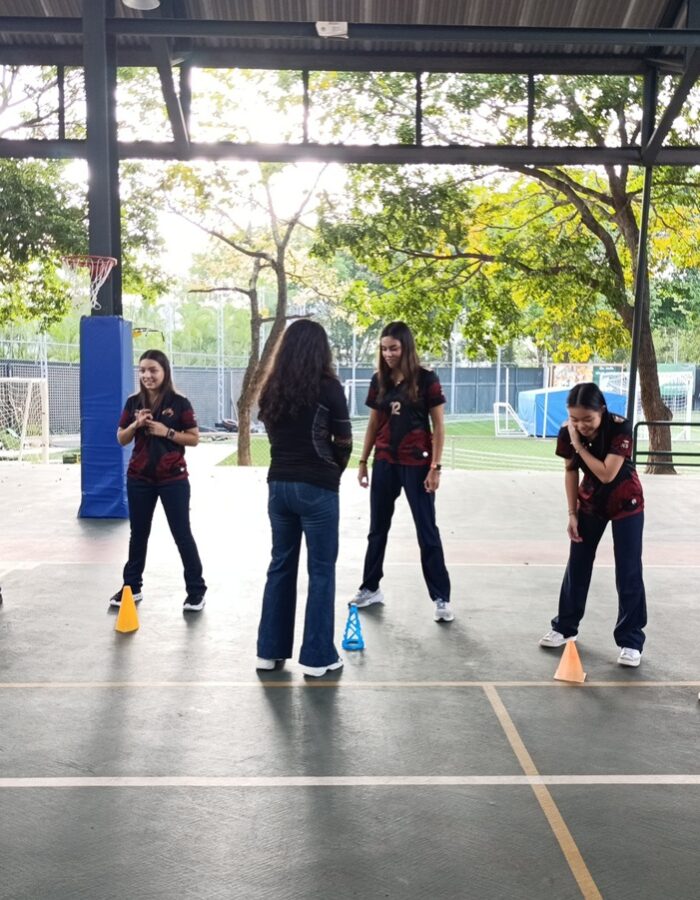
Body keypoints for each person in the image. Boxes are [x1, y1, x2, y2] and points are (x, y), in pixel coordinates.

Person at [255, 320, 352, 677]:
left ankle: (268, 652)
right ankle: (317, 657)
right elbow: (344, 442)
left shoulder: (271, 388)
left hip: (278, 487)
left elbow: (274, 437)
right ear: (321, 350)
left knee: (280, 565)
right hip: (317, 488)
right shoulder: (329, 388)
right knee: (321, 571)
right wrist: (332, 472)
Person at [352, 321, 453, 622]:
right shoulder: (379, 380)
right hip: (384, 461)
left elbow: (439, 426)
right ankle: (370, 587)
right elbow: (373, 423)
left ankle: (441, 597)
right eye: (384, 349)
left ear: (406, 347)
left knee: (427, 530)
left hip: (417, 464)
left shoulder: (426, 379)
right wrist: (363, 461)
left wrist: (435, 467)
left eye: (393, 348)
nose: (388, 354)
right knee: (377, 529)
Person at [540, 382, 646, 666]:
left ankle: (631, 641)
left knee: (628, 569)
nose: (581, 425)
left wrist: (578, 445)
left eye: (587, 419)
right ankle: (565, 627)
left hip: (626, 502)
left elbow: (607, 473)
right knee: (578, 562)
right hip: (590, 502)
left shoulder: (620, 427)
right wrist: (572, 513)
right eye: (574, 419)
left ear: (602, 410)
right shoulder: (567, 432)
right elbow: (570, 470)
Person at [111, 349, 207, 612]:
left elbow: (194, 438)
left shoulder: (180, 402)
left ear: (164, 372)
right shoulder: (133, 403)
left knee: (181, 533)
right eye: (142, 370)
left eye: (153, 370)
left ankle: (196, 591)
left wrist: (167, 432)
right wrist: (135, 425)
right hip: (139, 478)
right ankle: (131, 587)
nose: (147, 375)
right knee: (138, 534)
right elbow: (121, 438)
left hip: (172, 478)